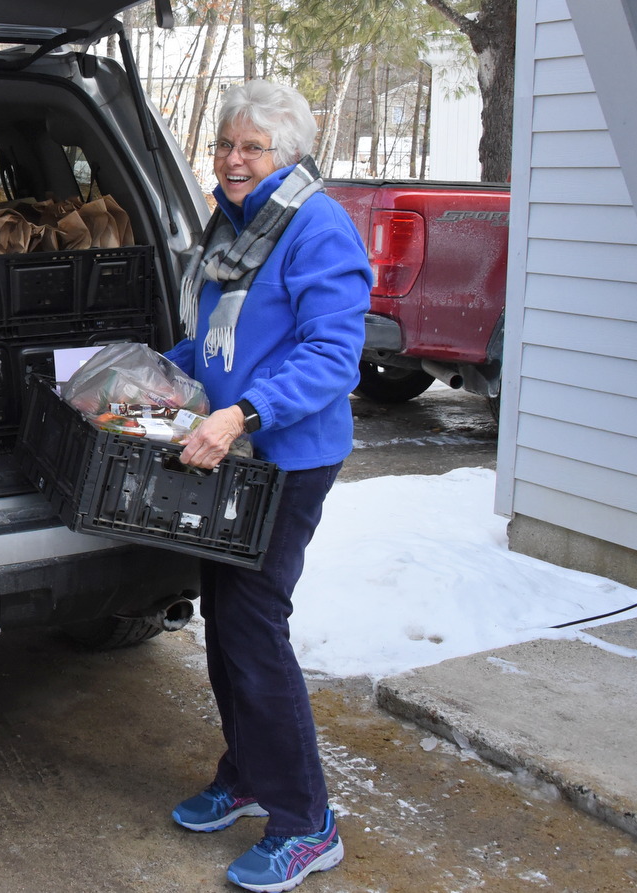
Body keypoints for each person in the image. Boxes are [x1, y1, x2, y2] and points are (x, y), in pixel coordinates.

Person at [163, 79, 370, 892]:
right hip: (235, 451)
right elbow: (222, 341)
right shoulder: (239, 222)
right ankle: (246, 774)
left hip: (285, 455)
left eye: (253, 147)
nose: (235, 159)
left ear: (289, 155)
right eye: (226, 144)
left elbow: (330, 357)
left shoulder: (317, 226)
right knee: (227, 620)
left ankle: (305, 820)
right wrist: (153, 373)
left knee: (255, 627)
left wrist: (244, 412)